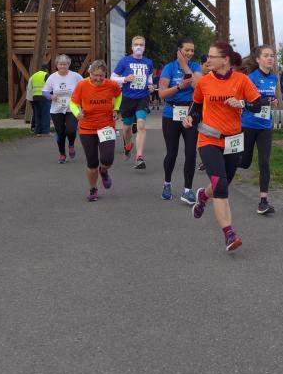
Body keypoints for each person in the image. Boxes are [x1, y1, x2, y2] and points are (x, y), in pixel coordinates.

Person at [184, 42, 265, 253]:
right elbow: (196, 105)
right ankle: (229, 233)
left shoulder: (241, 80)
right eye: (208, 57)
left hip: (233, 140)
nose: (208, 60)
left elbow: (258, 104)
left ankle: (203, 196)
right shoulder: (204, 82)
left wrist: (242, 104)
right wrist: (190, 117)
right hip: (209, 139)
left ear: (225, 60)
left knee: (223, 182)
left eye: (212, 57)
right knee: (220, 185)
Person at [69, 60, 122, 201]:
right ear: (90, 72)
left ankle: (103, 171)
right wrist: (77, 113)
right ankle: (93, 189)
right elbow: (73, 103)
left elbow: (118, 95)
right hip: (87, 128)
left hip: (106, 126)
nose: (98, 78)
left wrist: (116, 109)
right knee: (92, 163)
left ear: (105, 74)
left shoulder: (112, 85)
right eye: (95, 75)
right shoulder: (82, 85)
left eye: (101, 76)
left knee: (107, 159)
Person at [158, 37, 202, 204]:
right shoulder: (169, 68)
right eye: (186, 50)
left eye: (192, 50)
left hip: (191, 113)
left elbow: (199, 86)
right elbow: (161, 94)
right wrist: (179, 87)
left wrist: (185, 66)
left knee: (191, 152)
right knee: (172, 152)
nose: (189, 53)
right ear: (179, 50)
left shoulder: (195, 67)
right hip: (171, 114)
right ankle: (167, 184)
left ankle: (187, 190)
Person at [239, 45, 279, 215]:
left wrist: (273, 101)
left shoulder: (274, 78)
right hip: (248, 125)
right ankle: (221, 158)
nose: (270, 58)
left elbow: (271, 98)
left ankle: (263, 202)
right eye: (266, 55)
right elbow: (244, 103)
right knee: (244, 163)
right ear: (258, 59)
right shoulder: (250, 78)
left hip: (265, 126)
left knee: (264, 162)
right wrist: (261, 102)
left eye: (272, 55)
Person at [112, 35, 154, 169]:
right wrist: (125, 79)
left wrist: (151, 86)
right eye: (136, 44)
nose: (138, 47)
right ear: (132, 47)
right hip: (128, 98)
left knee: (141, 125)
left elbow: (149, 77)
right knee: (126, 127)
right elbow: (113, 78)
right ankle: (128, 144)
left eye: (141, 45)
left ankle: (139, 157)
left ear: (144, 47)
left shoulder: (148, 62)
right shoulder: (124, 61)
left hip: (142, 97)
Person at [42, 55, 84, 164]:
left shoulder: (75, 76)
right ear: (57, 65)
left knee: (71, 130)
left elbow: (84, 87)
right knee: (60, 132)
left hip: (72, 108)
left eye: (65, 64)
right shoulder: (52, 77)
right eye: (60, 64)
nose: (63, 66)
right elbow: (45, 91)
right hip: (57, 109)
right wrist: (51, 96)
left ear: (68, 65)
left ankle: (71, 144)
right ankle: (62, 154)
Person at [28, 64, 51, 136]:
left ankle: (37, 131)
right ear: (46, 69)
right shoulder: (46, 75)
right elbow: (50, 86)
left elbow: (30, 87)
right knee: (45, 115)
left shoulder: (34, 75)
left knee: (37, 115)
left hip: (35, 97)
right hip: (44, 97)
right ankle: (45, 131)